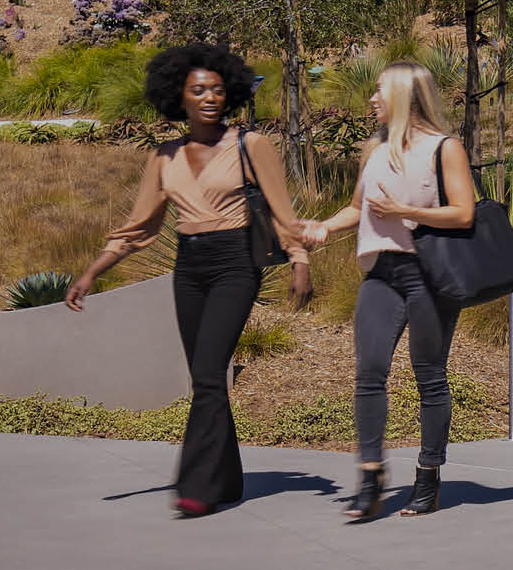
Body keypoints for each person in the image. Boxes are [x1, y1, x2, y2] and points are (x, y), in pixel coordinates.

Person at [68, 44, 313, 517]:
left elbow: (283, 212)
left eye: (217, 90)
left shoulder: (251, 145)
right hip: (189, 268)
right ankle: (228, 479)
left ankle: (197, 486)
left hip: (236, 264)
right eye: (198, 90)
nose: (209, 98)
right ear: (178, 96)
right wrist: (93, 272)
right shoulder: (165, 157)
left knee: (207, 374)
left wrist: (299, 260)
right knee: (206, 377)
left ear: (230, 93)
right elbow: (139, 227)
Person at [295, 62, 481, 522]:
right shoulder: (374, 150)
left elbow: (464, 213)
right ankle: (370, 474)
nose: (372, 98)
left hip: (430, 274)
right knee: (369, 371)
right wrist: (323, 227)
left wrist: (402, 211)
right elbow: (357, 208)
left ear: (404, 96)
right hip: (381, 272)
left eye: (380, 90)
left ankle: (428, 474)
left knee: (429, 375)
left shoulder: (444, 148)